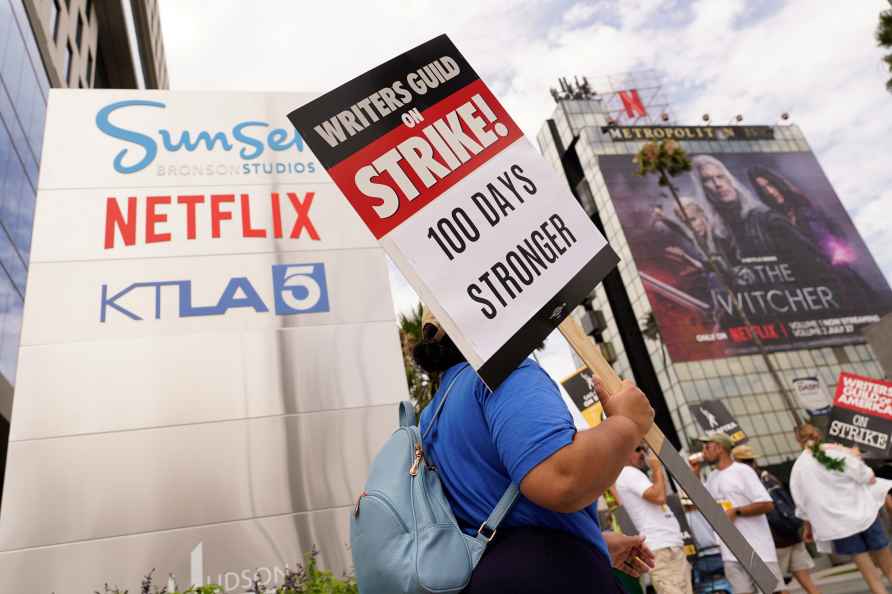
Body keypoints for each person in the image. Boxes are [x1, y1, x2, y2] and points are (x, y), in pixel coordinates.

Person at [413, 306, 656, 592]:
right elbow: (562, 477)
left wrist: (595, 543)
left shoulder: (433, 415)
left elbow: (491, 513)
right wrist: (628, 423)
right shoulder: (505, 370)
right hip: (552, 573)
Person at [790, 424, 892, 594]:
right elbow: (868, 477)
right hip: (863, 512)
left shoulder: (798, 469)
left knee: (862, 562)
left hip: (836, 524)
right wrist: (856, 457)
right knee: (884, 556)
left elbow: (802, 504)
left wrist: (808, 527)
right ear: (818, 434)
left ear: (798, 441)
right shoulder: (837, 452)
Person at [689, 155, 824, 265]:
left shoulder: (768, 220)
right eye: (707, 180)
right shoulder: (717, 235)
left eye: (720, 176)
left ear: (729, 179)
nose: (718, 184)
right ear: (702, 189)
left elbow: (815, 266)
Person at [694, 433, 783, 594]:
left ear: (720, 448)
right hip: (729, 552)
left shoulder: (742, 471)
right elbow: (701, 505)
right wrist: (695, 473)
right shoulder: (712, 477)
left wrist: (737, 511)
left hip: (757, 549)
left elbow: (767, 504)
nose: (703, 451)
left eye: (707, 446)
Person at [732, 444, 821, 594]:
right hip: (792, 534)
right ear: (753, 460)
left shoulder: (746, 482)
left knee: (777, 588)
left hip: (774, 542)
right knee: (808, 583)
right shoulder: (769, 477)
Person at [616, 444, 694, 594]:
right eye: (638, 449)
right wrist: (657, 468)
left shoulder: (634, 474)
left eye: (644, 449)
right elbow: (659, 497)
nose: (643, 454)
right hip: (662, 548)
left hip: (668, 547)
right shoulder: (628, 472)